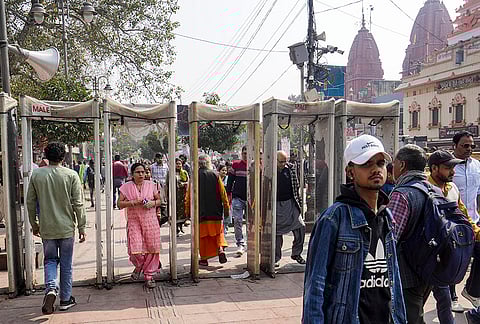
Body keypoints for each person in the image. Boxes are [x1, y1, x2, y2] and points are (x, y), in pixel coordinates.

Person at [303, 134, 406, 323]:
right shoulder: (334, 218)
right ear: (350, 172)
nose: (376, 169)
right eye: (367, 164)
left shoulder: (387, 217)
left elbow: (394, 280)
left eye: (380, 163)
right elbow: (315, 283)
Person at [26, 142, 86, 315]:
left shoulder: (37, 175)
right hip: (67, 228)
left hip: (47, 227)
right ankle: (66, 300)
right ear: (63, 157)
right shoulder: (71, 175)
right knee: (66, 264)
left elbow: (30, 202)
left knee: (50, 260)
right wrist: (82, 226)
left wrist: (34, 223)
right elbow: (78, 203)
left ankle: (51, 288)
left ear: (46, 156)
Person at [426, 150, 477, 322]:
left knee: (443, 297)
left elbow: (463, 215)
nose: (453, 172)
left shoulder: (453, 188)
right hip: (425, 253)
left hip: (447, 251)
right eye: (448, 167)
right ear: (434, 168)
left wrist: (475, 232)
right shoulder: (424, 187)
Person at [388, 144, 435, 324]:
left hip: (406, 273)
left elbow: (390, 238)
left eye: (394, 163)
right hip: (428, 267)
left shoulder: (402, 194)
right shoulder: (434, 190)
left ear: (402, 165)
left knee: (408, 317)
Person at [117, 162, 162, 289]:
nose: (141, 174)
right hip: (134, 221)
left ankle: (149, 276)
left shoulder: (152, 185)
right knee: (135, 249)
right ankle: (139, 266)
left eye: (143, 172)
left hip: (150, 221)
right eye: (138, 172)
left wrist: (152, 203)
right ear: (132, 174)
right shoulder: (125, 187)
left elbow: (160, 200)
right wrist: (132, 202)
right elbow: (119, 204)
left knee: (152, 248)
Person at [452, 131, 480, 309]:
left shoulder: (477, 166)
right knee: (453, 261)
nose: (469, 149)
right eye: (465, 145)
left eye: (471, 145)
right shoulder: (448, 166)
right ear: (455, 146)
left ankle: (471, 290)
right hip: (454, 222)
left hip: (474, 221)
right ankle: (452, 297)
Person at [186, 154, 229, 266]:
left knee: (203, 236)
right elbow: (223, 194)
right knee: (218, 233)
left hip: (200, 213)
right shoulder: (215, 175)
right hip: (216, 212)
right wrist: (226, 209)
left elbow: (188, 197)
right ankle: (220, 249)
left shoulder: (194, 177)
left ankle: (204, 259)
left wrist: (187, 212)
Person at [275, 151, 305, 267]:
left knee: (300, 227)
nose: (283, 164)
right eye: (281, 162)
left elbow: (296, 186)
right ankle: (275, 257)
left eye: (285, 161)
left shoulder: (290, 169)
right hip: (277, 205)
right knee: (276, 232)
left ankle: (296, 253)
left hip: (291, 203)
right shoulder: (270, 171)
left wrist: (299, 202)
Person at [226, 146, 248, 256]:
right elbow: (230, 181)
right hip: (237, 197)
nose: (246, 155)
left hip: (251, 199)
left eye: (248, 153)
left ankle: (251, 243)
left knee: (252, 223)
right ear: (241, 153)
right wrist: (228, 196)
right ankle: (240, 243)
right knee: (238, 221)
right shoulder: (235, 165)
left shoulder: (255, 165)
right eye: (244, 153)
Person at [170, 158, 189, 236]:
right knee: (175, 212)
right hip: (174, 195)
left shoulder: (184, 173)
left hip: (182, 195)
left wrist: (184, 184)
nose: (178, 165)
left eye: (179, 164)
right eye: (177, 163)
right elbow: (168, 183)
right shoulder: (171, 173)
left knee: (182, 212)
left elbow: (188, 182)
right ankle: (176, 229)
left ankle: (180, 226)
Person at [217, 164, 230, 236]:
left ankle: (224, 230)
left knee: (227, 216)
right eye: (223, 170)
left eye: (225, 170)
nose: (224, 172)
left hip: (227, 200)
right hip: (218, 201)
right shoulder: (216, 179)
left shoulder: (227, 179)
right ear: (219, 171)